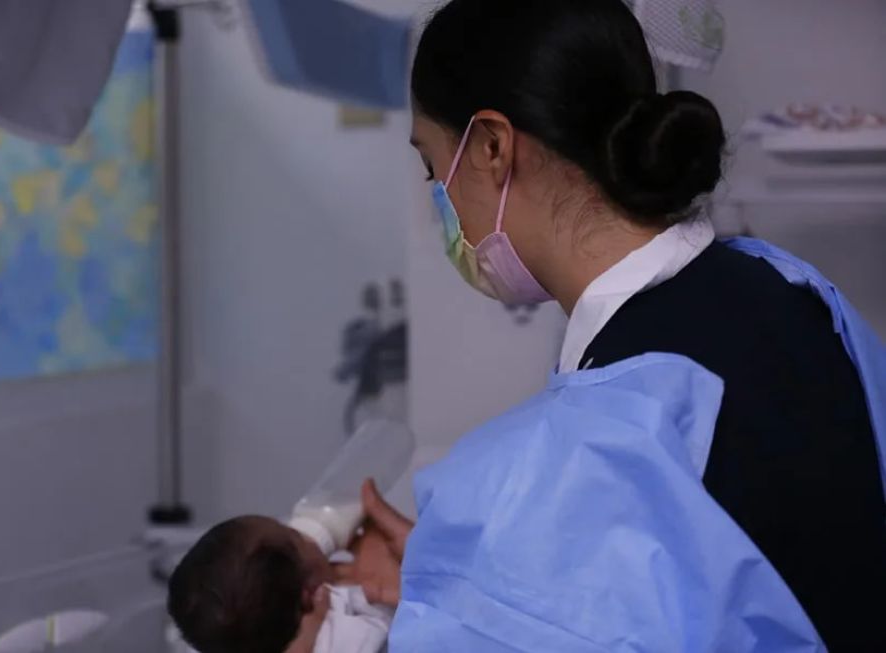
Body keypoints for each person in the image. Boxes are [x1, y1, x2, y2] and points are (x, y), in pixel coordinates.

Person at [330, 1, 886, 651]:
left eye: (433, 166)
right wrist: (465, 578)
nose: (441, 201)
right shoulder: (789, 289)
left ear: (491, 147)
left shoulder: (603, 433)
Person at [167, 516, 392, 653]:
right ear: (310, 594)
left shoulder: (224, 639)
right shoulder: (351, 633)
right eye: (294, 535)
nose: (308, 537)